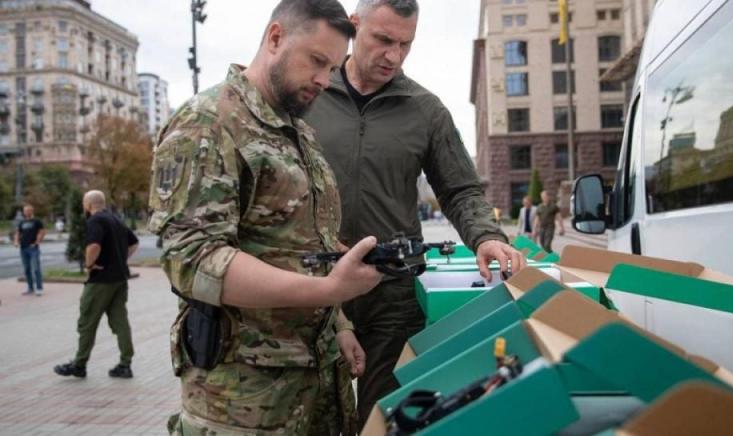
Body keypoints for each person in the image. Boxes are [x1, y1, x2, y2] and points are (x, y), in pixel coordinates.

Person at [147, 1, 382, 434]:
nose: (324, 80)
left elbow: (311, 248)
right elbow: (193, 260)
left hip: (316, 387)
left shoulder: (297, 132)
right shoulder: (207, 123)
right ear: (275, 38)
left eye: (332, 68)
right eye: (316, 61)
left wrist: (339, 321)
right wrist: (327, 289)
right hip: (245, 402)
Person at [305, 0, 525, 426]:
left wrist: (486, 236)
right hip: (312, 289)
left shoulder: (425, 109)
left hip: (392, 297)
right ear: (354, 27)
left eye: (406, 44)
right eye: (383, 40)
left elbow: (460, 188)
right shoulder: (310, 92)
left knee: (380, 421)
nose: (394, 55)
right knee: (314, 420)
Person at [54, 190, 138, 379]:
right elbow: (133, 243)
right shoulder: (115, 219)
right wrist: (120, 260)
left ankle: (79, 364)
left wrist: (89, 265)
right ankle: (126, 364)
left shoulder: (96, 221)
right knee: (120, 321)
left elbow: (93, 246)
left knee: (87, 322)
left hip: (100, 280)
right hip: (120, 279)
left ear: (88, 204)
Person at [14, 204, 46, 296]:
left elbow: (42, 232)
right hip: (23, 248)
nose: (26, 212)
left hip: (33, 248)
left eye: (28, 210)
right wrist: (16, 241)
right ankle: (30, 288)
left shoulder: (37, 221)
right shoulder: (22, 222)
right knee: (27, 269)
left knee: (36, 268)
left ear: (32, 211)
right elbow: (18, 233)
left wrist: (37, 242)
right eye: (24, 211)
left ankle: (39, 288)